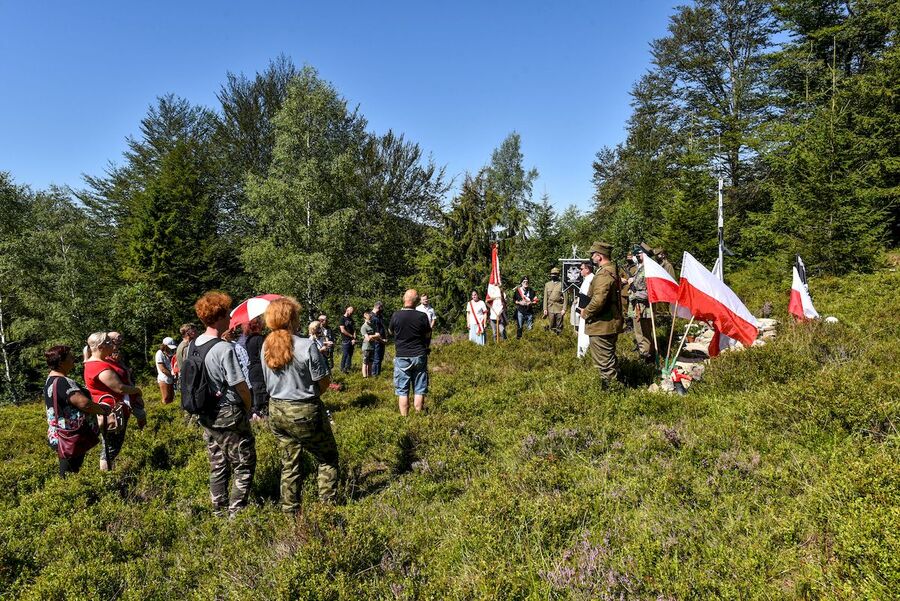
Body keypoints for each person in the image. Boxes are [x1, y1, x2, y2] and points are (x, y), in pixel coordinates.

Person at [262, 297, 337, 511]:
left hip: (276, 409)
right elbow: (323, 380)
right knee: (327, 457)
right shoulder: (306, 345)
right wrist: (313, 394)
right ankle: (326, 507)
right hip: (304, 408)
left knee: (289, 463)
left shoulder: (266, 345)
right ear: (292, 318)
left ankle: (290, 509)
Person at [191, 291, 256, 517]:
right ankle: (236, 513)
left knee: (217, 462)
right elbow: (240, 385)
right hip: (228, 412)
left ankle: (218, 510)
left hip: (206, 413)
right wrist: (248, 407)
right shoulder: (224, 348)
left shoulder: (195, 344)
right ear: (219, 317)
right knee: (243, 462)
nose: (230, 318)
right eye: (227, 314)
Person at [43, 345, 111, 477]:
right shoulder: (63, 382)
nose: (73, 359)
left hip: (60, 433)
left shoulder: (50, 379)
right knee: (68, 473)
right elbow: (84, 404)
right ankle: (67, 489)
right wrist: (102, 409)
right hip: (71, 436)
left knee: (70, 469)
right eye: (70, 357)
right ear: (61, 362)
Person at [84, 331, 143, 471]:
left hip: (107, 411)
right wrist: (137, 390)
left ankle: (108, 472)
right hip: (112, 413)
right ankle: (106, 476)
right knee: (111, 448)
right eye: (108, 342)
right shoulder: (100, 367)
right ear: (100, 347)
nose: (112, 344)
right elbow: (120, 388)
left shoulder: (95, 362)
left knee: (109, 446)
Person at [581, 242, 625, 386]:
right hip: (607, 323)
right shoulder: (610, 270)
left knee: (604, 363)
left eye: (592, 255)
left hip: (602, 324)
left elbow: (599, 300)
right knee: (608, 359)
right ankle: (617, 385)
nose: (591, 257)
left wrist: (586, 312)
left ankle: (611, 391)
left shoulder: (604, 273)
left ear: (599, 256)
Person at [389, 289, 432, 416]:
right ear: (417, 301)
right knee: (419, 388)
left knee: (402, 390)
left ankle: (405, 419)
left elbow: (390, 331)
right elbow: (428, 334)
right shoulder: (422, 316)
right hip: (419, 354)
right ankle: (419, 416)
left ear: (404, 299)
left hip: (402, 355)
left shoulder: (396, 315)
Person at [628, 244, 655, 362]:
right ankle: (647, 353)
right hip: (639, 306)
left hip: (643, 307)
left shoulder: (648, 269)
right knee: (642, 333)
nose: (637, 255)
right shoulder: (641, 268)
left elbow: (649, 292)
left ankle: (646, 357)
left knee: (643, 333)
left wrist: (634, 294)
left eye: (639, 253)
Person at [243, 317, 269, 420]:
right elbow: (264, 356)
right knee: (263, 398)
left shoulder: (248, 339)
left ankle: (256, 417)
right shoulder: (260, 339)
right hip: (260, 371)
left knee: (257, 397)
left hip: (253, 371)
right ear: (258, 325)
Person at [576, 260, 595, 358]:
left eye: (581, 269)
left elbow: (586, 299)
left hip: (586, 313)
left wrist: (580, 311)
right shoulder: (586, 279)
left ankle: (583, 356)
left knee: (584, 336)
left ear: (587, 269)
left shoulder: (590, 280)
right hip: (584, 312)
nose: (580, 271)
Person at [543, 267, 566, 334]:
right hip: (550, 307)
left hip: (559, 308)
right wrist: (545, 309)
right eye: (552, 274)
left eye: (555, 274)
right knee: (551, 324)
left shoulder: (562, 284)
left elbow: (565, 298)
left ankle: (559, 337)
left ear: (558, 275)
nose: (553, 275)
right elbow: (545, 298)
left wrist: (564, 309)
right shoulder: (547, 284)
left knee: (559, 325)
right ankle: (552, 337)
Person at [155, 337, 177, 404]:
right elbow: (162, 369)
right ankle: (163, 409)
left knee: (171, 398)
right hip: (164, 379)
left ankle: (170, 409)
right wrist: (173, 376)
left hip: (170, 378)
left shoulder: (169, 352)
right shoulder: (159, 353)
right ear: (165, 345)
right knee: (166, 398)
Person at [359, 311, 378, 378]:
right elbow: (368, 339)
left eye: (370, 319)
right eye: (368, 319)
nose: (370, 320)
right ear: (365, 319)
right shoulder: (363, 327)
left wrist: (371, 336)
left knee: (370, 363)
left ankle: (369, 376)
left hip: (372, 347)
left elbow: (378, 335)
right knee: (365, 363)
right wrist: (374, 337)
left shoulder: (373, 326)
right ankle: (365, 377)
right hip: (366, 348)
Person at [370, 302, 387, 376]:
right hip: (376, 341)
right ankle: (375, 375)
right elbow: (375, 332)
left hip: (382, 340)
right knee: (376, 358)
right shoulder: (372, 317)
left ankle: (378, 374)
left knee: (380, 358)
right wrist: (381, 340)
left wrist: (384, 338)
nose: (382, 310)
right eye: (381, 308)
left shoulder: (379, 316)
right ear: (378, 307)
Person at [339, 306, 356, 374]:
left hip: (352, 340)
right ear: (347, 310)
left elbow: (354, 329)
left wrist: (354, 337)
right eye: (351, 313)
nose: (351, 314)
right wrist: (351, 336)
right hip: (345, 340)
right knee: (345, 354)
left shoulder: (351, 319)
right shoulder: (342, 319)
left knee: (350, 354)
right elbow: (342, 330)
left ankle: (348, 368)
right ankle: (342, 368)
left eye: (352, 313)